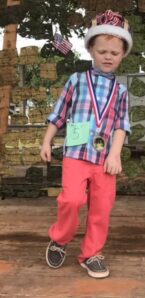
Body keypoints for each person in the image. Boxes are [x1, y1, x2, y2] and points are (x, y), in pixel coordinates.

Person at [40, 10, 132, 278]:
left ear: (123, 55)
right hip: (76, 154)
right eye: (102, 50)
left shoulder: (122, 91)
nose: (108, 57)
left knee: (102, 207)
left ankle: (91, 253)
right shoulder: (77, 80)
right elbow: (57, 114)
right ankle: (60, 239)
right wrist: (47, 141)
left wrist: (115, 155)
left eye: (114, 53)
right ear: (91, 49)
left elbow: (121, 126)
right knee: (71, 199)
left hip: (105, 160)